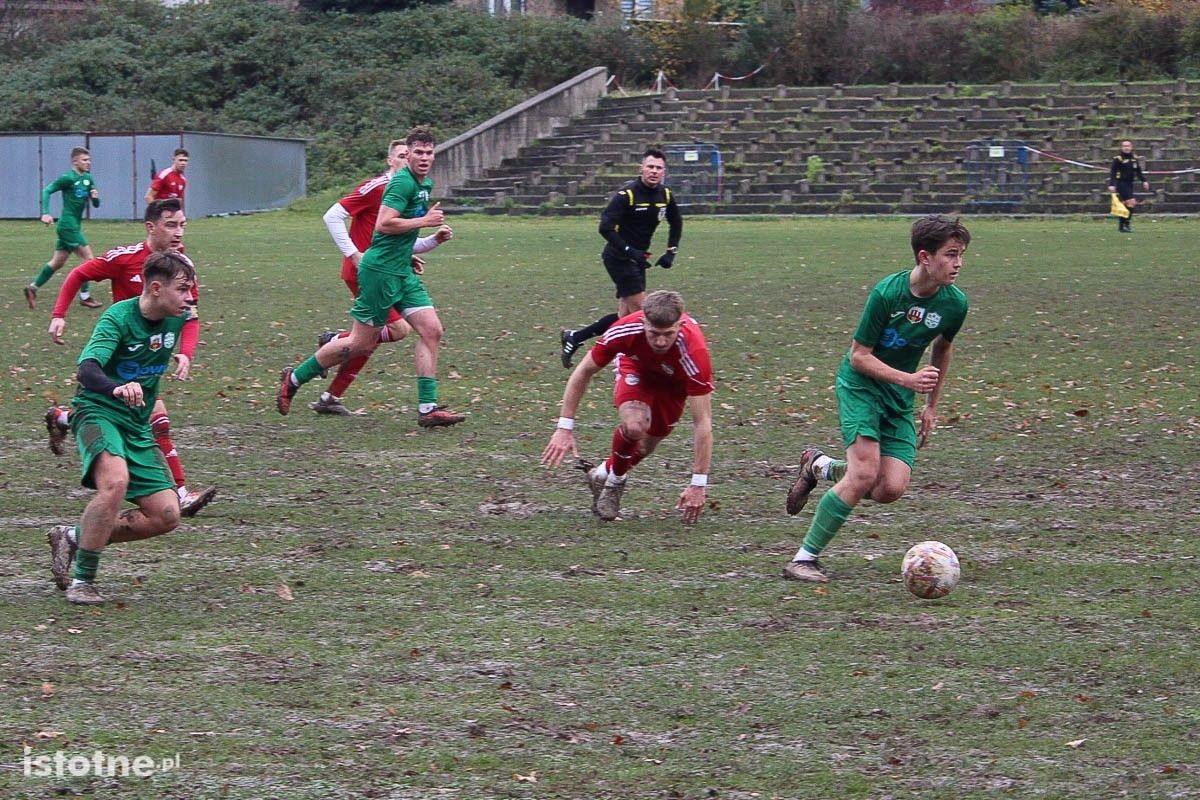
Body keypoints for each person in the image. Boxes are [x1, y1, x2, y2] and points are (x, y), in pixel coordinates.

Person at [782, 215, 970, 584]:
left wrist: (931, 405)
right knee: (865, 472)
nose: (958, 263)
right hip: (861, 386)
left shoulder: (955, 304)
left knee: (889, 488)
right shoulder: (887, 294)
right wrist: (909, 379)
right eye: (950, 255)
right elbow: (859, 356)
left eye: (961, 254)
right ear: (924, 257)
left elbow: (943, 349)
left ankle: (818, 467)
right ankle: (803, 560)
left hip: (900, 395)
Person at [277, 127, 465, 427]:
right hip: (378, 274)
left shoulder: (423, 183)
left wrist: (433, 238)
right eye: (418, 152)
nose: (424, 158)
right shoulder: (400, 184)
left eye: (429, 152)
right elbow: (384, 225)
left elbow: (401, 237)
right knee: (361, 344)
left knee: (431, 330)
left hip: (401, 271)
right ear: (402, 157)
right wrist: (425, 220)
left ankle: (428, 409)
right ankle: (295, 377)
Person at [44, 198, 218, 517]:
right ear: (151, 227)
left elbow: (191, 316)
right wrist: (59, 314)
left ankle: (63, 418)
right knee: (155, 420)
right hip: (118, 356)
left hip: (149, 358)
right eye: (171, 224)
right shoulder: (125, 258)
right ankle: (179, 491)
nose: (179, 232)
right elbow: (77, 275)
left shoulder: (182, 268)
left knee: (149, 418)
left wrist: (185, 352)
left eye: (183, 224)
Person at [45, 251, 198, 605]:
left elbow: (192, 321)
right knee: (115, 483)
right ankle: (83, 582)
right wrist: (115, 387)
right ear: (156, 288)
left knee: (167, 515)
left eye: (191, 289)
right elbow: (86, 370)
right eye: (183, 289)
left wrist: (186, 353)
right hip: (97, 412)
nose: (190, 297)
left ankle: (72, 536)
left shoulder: (178, 316)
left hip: (136, 424)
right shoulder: (118, 318)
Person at [541, 289, 713, 524]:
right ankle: (615, 483)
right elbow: (583, 371)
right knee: (635, 426)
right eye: (653, 333)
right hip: (637, 370)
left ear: (680, 324)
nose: (661, 341)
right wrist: (564, 427)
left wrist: (698, 484)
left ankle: (601, 475)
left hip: (675, 385)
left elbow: (702, 422)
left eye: (668, 334)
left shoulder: (695, 352)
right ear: (643, 321)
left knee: (643, 448)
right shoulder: (624, 329)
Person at [315, 138, 453, 416]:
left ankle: (330, 392)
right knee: (378, 335)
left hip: (389, 269)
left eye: (413, 154)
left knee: (384, 334)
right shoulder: (379, 186)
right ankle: (330, 357)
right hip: (368, 271)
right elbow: (332, 216)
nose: (410, 160)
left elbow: (398, 235)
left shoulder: (411, 188)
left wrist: (423, 246)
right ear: (391, 160)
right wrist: (354, 254)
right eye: (404, 155)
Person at [559, 147, 683, 368]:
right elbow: (605, 227)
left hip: (638, 260)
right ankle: (651, 363)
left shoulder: (665, 194)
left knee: (623, 318)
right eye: (650, 167)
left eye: (659, 168)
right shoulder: (628, 194)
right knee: (645, 314)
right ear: (641, 168)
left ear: (664, 171)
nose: (654, 171)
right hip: (618, 258)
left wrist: (671, 251)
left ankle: (575, 337)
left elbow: (677, 222)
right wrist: (629, 251)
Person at [24, 146, 103, 310]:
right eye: (84, 160)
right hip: (68, 225)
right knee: (89, 260)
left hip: (73, 225)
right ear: (75, 161)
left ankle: (32, 288)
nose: (88, 163)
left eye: (89, 160)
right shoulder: (68, 178)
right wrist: (45, 213)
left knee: (57, 262)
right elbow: (47, 190)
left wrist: (95, 198)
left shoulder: (89, 178)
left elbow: (96, 205)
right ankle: (85, 296)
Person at [1107, 140, 1149, 233]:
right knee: (1132, 203)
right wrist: (1111, 184)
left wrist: (1144, 181)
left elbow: (1138, 171)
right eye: (1124, 146)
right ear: (1122, 148)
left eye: (1128, 146)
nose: (1126, 148)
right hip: (1121, 183)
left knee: (1125, 204)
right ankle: (1126, 224)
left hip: (1130, 183)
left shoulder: (1134, 158)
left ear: (1131, 147)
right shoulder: (1118, 159)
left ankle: (1122, 226)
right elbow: (1113, 172)